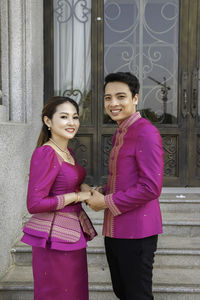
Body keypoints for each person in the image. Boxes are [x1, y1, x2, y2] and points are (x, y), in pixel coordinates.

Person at [82, 72, 164, 300]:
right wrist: (103, 190)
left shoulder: (145, 132)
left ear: (135, 98)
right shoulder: (121, 132)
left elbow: (151, 187)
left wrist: (106, 202)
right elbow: (125, 178)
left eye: (120, 96)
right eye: (108, 98)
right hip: (116, 230)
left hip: (137, 233)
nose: (113, 103)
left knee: (137, 295)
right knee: (122, 292)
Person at [21, 96, 97, 300]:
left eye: (75, 117)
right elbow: (35, 204)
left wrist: (83, 186)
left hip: (73, 234)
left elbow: (65, 179)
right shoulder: (45, 153)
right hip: (54, 240)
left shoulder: (67, 151)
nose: (71, 123)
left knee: (75, 292)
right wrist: (76, 196)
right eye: (64, 117)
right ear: (48, 121)